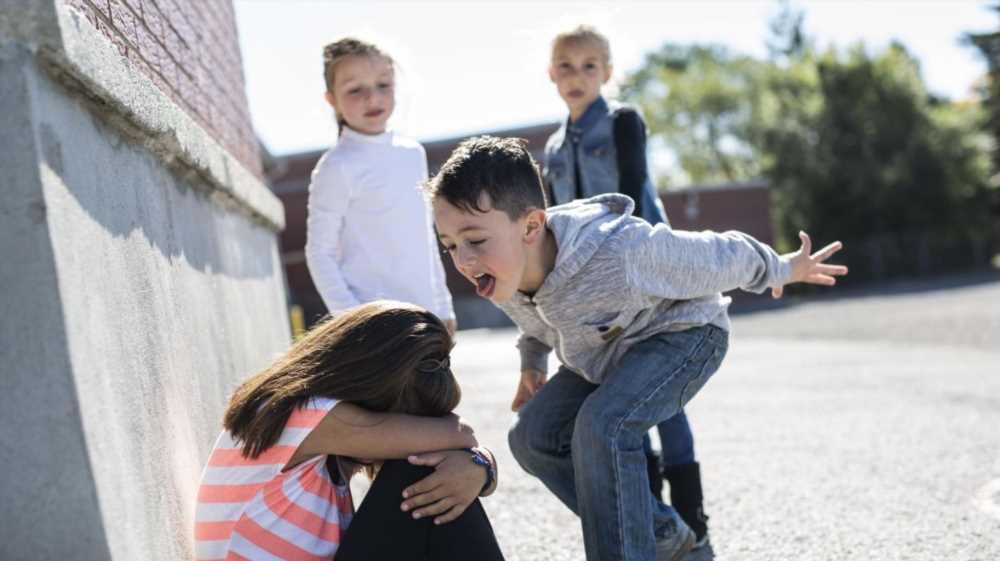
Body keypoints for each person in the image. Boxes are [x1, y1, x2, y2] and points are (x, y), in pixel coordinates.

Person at [425, 136, 847, 561]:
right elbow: (536, 323)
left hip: (684, 335)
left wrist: (783, 267)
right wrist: (532, 364)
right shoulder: (506, 274)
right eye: (450, 245)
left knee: (602, 424)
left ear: (531, 227)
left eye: (475, 240)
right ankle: (660, 531)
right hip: (605, 354)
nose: (463, 260)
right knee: (532, 437)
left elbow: (720, 254)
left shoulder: (620, 251)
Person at [541, 24, 705, 543]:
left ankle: (693, 518)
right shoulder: (551, 148)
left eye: (590, 66)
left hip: (646, 275)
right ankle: (657, 521)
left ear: (608, 73)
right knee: (622, 397)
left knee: (663, 398)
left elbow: (634, 193)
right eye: (566, 66)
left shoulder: (623, 122)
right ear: (551, 74)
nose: (577, 76)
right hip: (591, 291)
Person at [193, 301, 505, 561]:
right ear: (373, 387)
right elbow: (460, 434)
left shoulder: (318, 433)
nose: (409, 431)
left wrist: (480, 467)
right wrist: (478, 462)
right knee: (418, 469)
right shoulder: (305, 414)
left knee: (434, 472)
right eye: (406, 421)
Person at [305, 38, 455, 333]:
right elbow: (319, 252)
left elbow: (425, 238)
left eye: (383, 85)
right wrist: (353, 320)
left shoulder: (413, 154)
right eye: (355, 89)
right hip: (375, 328)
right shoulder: (336, 166)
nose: (372, 98)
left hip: (426, 318)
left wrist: (443, 306)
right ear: (331, 99)